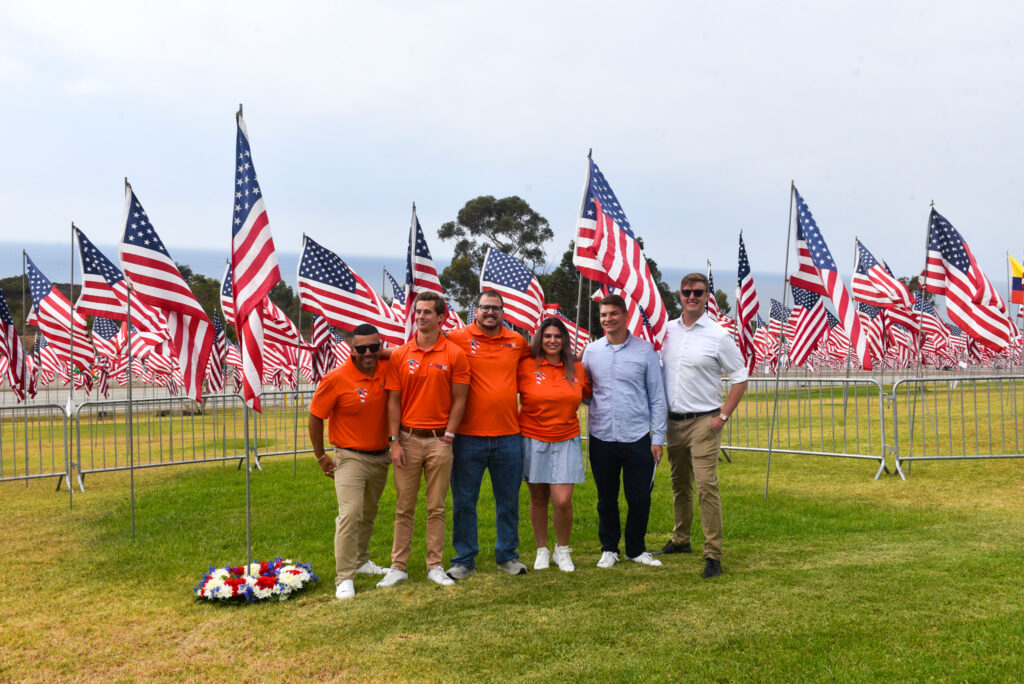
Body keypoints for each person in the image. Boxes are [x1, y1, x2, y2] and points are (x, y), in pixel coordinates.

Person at [376, 291, 470, 588]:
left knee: (436, 507)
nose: (420, 317)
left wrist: (449, 437)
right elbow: (393, 401)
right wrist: (394, 441)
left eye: (427, 312)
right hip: (407, 440)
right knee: (404, 507)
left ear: (441, 317)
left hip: (440, 441)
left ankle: (435, 565)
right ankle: (398, 566)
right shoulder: (401, 354)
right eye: (417, 312)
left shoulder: (455, 354)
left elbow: (459, 400)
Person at [658, 273, 748, 579]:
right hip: (673, 421)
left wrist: (722, 416)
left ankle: (713, 554)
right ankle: (681, 539)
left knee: (706, 485)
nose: (692, 297)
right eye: (686, 292)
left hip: (704, 422)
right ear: (679, 295)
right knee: (678, 483)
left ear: (708, 295)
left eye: (698, 292)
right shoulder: (667, 331)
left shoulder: (718, 335)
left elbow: (740, 376)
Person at [445, 290, 531, 579]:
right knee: (464, 502)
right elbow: (422, 347)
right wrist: (375, 352)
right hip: (468, 437)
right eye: (485, 308)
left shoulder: (516, 342)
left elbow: (545, 358)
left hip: (509, 436)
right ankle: (464, 560)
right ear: (475, 310)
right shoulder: (456, 338)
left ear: (503, 312)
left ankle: (507, 556)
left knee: (508, 502)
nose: (490, 312)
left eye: (496, 308)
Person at [582, 294, 668, 569]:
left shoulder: (645, 351)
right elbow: (584, 393)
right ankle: (609, 548)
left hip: (637, 437)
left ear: (625, 315)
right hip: (602, 436)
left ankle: (636, 548)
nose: (607, 319)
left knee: (639, 497)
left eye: (613, 314)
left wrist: (658, 438)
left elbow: (657, 397)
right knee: (606, 498)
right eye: (604, 315)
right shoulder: (591, 352)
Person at [307, 323, 392, 600]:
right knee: (351, 514)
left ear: (381, 347)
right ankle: (344, 577)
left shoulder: (387, 369)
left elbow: (408, 354)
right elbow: (316, 415)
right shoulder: (336, 378)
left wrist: (385, 354)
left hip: (381, 457)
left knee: (369, 512)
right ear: (351, 349)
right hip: (350, 457)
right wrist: (320, 455)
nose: (368, 353)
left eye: (374, 347)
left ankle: (362, 560)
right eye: (362, 348)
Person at [517, 316, 591, 572]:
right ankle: (541, 550)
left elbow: (591, 395)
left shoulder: (577, 368)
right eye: (547, 336)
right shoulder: (526, 365)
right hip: (533, 438)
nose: (552, 340)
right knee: (538, 498)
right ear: (540, 338)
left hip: (566, 439)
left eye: (557, 336)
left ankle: (562, 550)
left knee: (562, 500)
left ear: (564, 340)